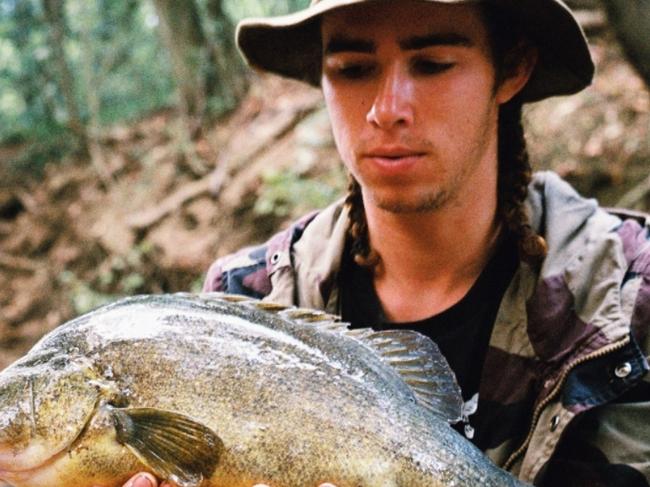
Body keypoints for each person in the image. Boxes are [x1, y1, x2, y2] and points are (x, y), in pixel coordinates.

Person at [120, 0, 650, 486]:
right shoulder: (248, 306)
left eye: (432, 64)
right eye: (353, 69)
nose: (387, 108)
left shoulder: (628, 295)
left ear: (511, 69)